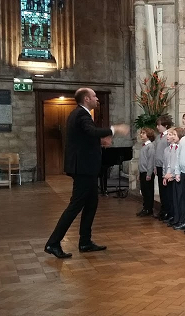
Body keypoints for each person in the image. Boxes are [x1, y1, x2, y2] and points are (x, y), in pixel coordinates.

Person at [44, 88, 129, 259]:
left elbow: (85, 137)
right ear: (87, 98)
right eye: (95, 96)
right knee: (75, 205)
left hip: (85, 167)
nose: (97, 99)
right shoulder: (81, 114)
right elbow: (91, 132)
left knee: (91, 204)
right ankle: (53, 243)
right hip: (83, 168)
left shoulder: (81, 114)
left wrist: (99, 142)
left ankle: (85, 241)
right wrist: (114, 129)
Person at [164, 127, 185, 227]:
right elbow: (169, 164)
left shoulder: (180, 147)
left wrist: (173, 174)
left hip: (178, 176)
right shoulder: (172, 148)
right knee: (175, 200)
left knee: (180, 200)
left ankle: (180, 219)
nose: (171, 136)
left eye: (173, 134)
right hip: (172, 175)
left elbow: (180, 163)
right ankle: (176, 218)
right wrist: (167, 174)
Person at [154, 114, 173, 221]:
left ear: (165, 125)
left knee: (166, 191)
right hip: (159, 165)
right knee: (162, 190)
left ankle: (168, 211)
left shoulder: (168, 137)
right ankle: (163, 209)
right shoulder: (158, 137)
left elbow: (168, 154)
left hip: (166, 167)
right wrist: (155, 166)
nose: (157, 127)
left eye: (159, 125)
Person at [136, 127, 156, 217]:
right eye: (141, 133)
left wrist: (149, 173)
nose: (141, 135)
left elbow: (151, 161)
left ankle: (149, 208)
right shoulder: (144, 146)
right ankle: (145, 207)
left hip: (147, 172)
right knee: (144, 191)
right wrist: (139, 173)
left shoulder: (150, 146)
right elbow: (141, 161)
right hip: (142, 171)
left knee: (148, 191)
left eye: (143, 133)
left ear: (148, 135)